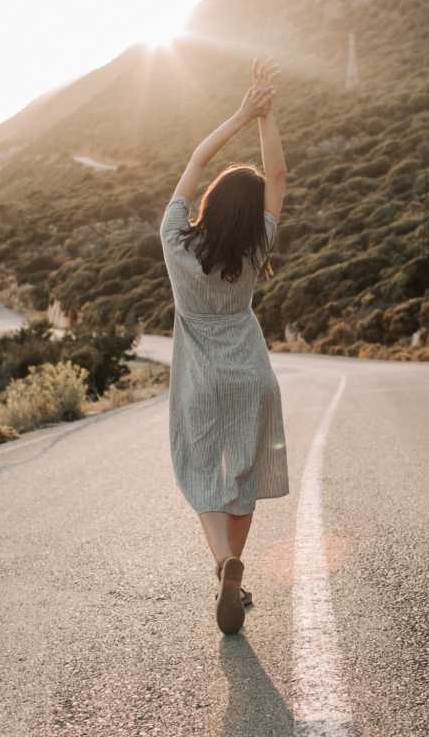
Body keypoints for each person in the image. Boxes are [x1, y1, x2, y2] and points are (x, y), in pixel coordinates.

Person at [160, 56, 289, 635]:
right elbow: (279, 178)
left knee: (200, 468)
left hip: (200, 374)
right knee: (244, 474)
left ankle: (223, 563)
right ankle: (234, 564)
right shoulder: (254, 248)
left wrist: (239, 114)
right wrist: (268, 116)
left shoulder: (175, 242)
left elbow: (194, 161)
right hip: (252, 373)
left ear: (209, 204)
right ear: (250, 215)